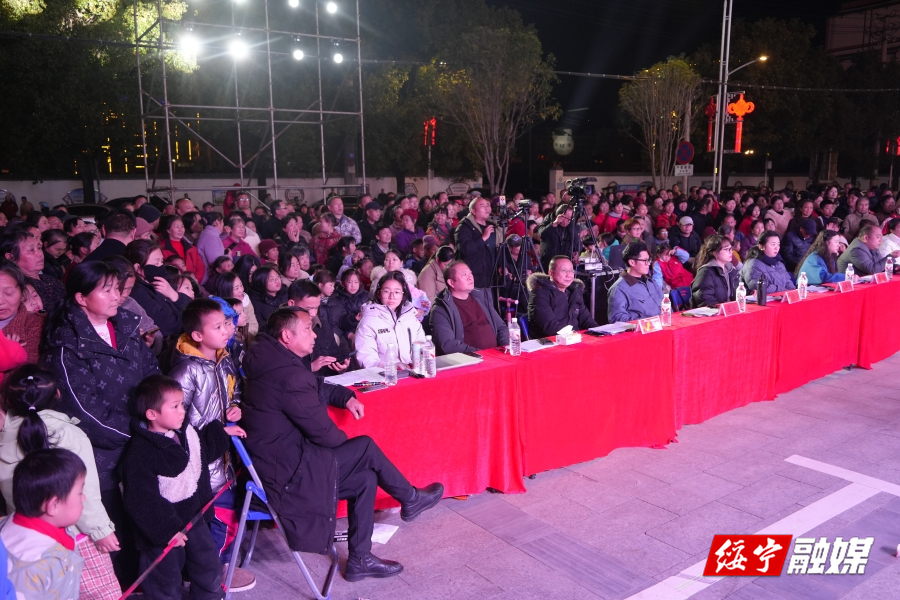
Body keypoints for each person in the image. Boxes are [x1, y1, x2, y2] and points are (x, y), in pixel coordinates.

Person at [241, 307, 443, 581]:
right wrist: (351, 455)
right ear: (287, 336)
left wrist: (344, 396)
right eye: (307, 329)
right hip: (287, 476)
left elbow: (314, 385)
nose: (314, 335)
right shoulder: (287, 374)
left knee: (365, 479)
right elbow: (324, 434)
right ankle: (410, 498)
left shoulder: (272, 359)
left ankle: (360, 560)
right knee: (365, 448)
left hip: (282, 462)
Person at [42, 260, 160, 586]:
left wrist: (156, 421)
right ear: (81, 298)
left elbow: (152, 375)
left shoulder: (125, 328)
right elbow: (85, 412)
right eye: (106, 290)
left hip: (140, 442)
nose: (117, 296)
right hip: (100, 459)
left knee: (147, 526)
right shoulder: (66, 346)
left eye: (117, 289)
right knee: (115, 539)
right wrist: (141, 432)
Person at [0, 365, 121, 599]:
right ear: (57, 394)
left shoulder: (3, 441)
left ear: (9, 400)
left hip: (26, 536)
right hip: (78, 535)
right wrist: (101, 530)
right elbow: (86, 492)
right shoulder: (70, 435)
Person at [121, 375, 244, 600]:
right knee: (164, 578)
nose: (182, 411)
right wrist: (166, 531)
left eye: (182, 405)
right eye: (175, 406)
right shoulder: (140, 452)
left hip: (194, 515)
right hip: (162, 529)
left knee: (208, 566)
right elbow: (141, 498)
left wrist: (222, 433)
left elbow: (201, 452)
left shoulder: (186, 433)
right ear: (152, 414)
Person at [167, 300, 255, 590]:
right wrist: (219, 432)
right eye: (217, 326)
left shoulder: (224, 359)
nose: (226, 330)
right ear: (197, 335)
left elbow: (236, 389)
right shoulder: (185, 371)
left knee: (228, 516)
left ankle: (221, 570)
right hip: (203, 461)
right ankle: (209, 578)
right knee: (214, 521)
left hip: (225, 457)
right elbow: (176, 423)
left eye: (227, 324)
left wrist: (236, 406)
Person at [1, 448, 86, 599]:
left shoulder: (55, 526)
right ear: (53, 505)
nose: (84, 498)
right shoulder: (29, 568)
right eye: (80, 492)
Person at [430, 261, 508, 355]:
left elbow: (501, 327)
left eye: (470, 273)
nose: (470, 277)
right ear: (451, 282)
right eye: (464, 275)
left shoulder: (481, 298)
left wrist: (505, 346)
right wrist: (480, 354)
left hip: (497, 355)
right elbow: (448, 344)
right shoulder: (441, 309)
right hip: (470, 359)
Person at [355, 272, 426, 368]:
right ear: (379, 293)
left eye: (397, 292)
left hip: (411, 372)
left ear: (403, 295)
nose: (392, 296)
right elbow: (366, 359)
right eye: (386, 291)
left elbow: (422, 346)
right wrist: (392, 367)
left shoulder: (411, 317)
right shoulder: (369, 321)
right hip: (384, 374)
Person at [125, 240, 193, 338]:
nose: (160, 267)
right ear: (137, 267)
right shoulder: (137, 293)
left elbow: (191, 307)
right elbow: (170, 325)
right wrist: (188, 316)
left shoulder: (160, 280)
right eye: (156, 263)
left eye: (161, 261)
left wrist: (174, 295)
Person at [286, 279, 352, 374]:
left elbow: (335, 355)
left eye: (316, 308)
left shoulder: (323, 326)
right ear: (292, 304)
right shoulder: (278, 329)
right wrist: (310, 367)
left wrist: (340, 366)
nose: (313, 313)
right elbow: (278, 371)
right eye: (308, 309)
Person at [526, 256, 598, 337]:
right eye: (563, 271)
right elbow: (551, 328)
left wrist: (599, 332)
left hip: (575, 338)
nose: (569, 275)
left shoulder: (574, 291)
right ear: (551, 273)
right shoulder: (539, 293)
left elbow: (586, 320)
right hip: (552, 341)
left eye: (571, 271)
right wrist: (575, 337)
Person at [0, 229, 66, 310]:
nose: (39, 254)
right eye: (31, 250)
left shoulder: (48, 278)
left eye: (39, 248)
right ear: (11, 257)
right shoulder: (21, 289)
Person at [606, 242, 664, 323]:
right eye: (645, 260)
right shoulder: (619, 288)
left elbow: (665, 305)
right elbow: (617, 318)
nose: (648, 263)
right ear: (632, 262)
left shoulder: (651, 282)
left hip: (663, 326)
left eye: (649, 260)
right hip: (644, 329)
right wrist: (645, 322)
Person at [0, 263, 45, 365]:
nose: (0, 301)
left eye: (9, 293)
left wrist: (12, 354)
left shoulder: (36, 325)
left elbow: (30, 370)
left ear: (22, 293)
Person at [454, 196, 499, 288]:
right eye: (482, 206)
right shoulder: (465, 227)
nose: (486, 208)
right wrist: (483, 238)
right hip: (475, 277)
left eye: (488, 205)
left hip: (493, 276)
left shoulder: (493, 226)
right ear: (473, 211)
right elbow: (465, 249)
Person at [690, 235, 741, 308]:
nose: (731, 252)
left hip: (730, 310)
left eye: (731, 249)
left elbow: (739, 290)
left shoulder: (731, 270)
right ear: (715, 253)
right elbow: (704, 299)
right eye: (726, 249)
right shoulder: (705, 272)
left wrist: (750, 291)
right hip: (713, 312)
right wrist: (722, 309)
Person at [210, 271, 259, 340]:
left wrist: (242, 336)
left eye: (241, 285)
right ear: (226, 290)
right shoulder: (216, 309)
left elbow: (253, 324)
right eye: (236, 288)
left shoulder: (245, 299)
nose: (241, 290)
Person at [538, 204, 575, 269]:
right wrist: (554, 223)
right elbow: (542, 234)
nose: (569, 221)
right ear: (560, 216)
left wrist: (576, 251)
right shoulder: (548, 220)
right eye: (568, 218)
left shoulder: (570, 226)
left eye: (570, 218)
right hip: (548, 264)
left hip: (564, 264)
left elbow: (575, 241)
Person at [196, 212, 226, 285]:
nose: (223, 225)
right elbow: (216, 263)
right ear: (217, 222)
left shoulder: (209, 234)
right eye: (223, 222)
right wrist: (228, 256)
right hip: (207, 279)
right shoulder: (210, 237)